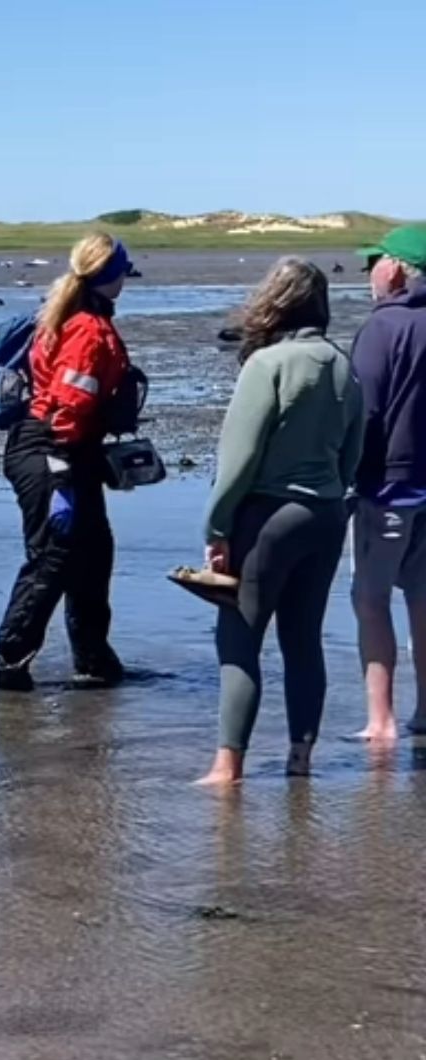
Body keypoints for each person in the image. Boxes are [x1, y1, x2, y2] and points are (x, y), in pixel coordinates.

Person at [196, 259, 363, 786]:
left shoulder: (267, 364)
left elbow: (238, 460)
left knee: (239, 637)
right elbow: (352, 455)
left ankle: (228, 767)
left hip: (267, 516)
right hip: (328, 515)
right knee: (303, 639)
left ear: (275, 300)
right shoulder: (343, 364)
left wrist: (216, 528)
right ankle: (300, 760)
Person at [0, 232, 140, 691]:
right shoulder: (87, 329)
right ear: (110, 276)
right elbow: (71, 400)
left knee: (94, 551)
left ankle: (93, 658)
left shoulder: (75, 317)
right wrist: (66, 461)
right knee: (54, 554)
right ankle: (10, 660)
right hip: (51, 451)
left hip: (64, 450)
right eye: (123, 273)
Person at [349, 225, 426, 743]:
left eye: (374, 261)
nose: (369, 271)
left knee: (370, 599)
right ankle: (423, 710)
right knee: (423, 598)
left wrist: (346, 477)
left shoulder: (383, 327)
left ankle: (382, 720)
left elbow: (364, 411)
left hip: (388, 486)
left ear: (396, 268)